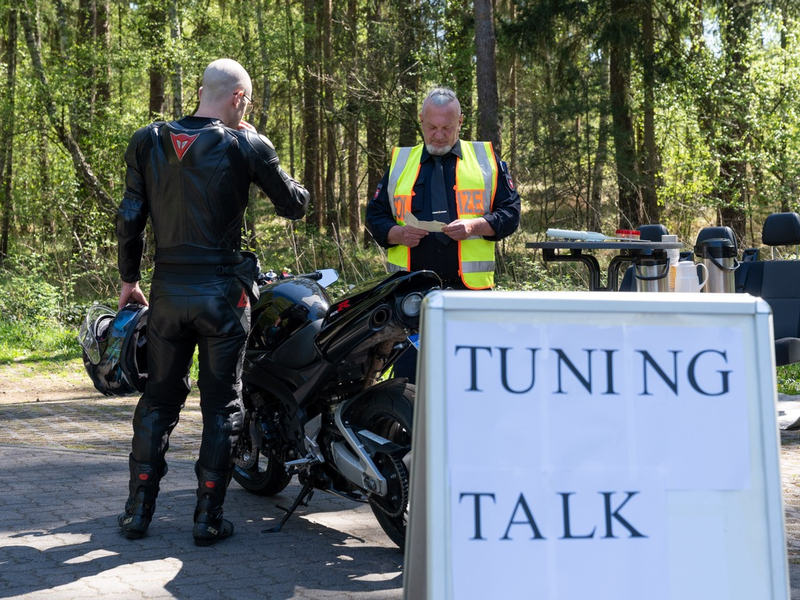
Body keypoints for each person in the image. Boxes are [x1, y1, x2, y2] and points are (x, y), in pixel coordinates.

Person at [116, 58, 309, 546]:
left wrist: (127, 280)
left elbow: (129, 217)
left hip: (167, 291)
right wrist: (262, 149)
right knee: (222, 405)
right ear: (239, 98)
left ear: (203, 91)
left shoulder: (149, 138)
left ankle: (138, 514)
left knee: (158, 399)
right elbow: (294, 205)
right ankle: (207, 519)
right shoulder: (246, 142)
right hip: (224, 294)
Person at [366, 86, 520, 382]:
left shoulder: (485, 160)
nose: (438, 135)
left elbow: (511, 214)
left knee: (473, 380)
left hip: (469, 295)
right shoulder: (401, 162)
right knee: (410, 383)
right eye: (432, 127)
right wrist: (397, 233)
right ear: (421, 120)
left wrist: (475, 226)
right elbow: (375, 215)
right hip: (410, 297)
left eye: (447, 128)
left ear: (460, 122)